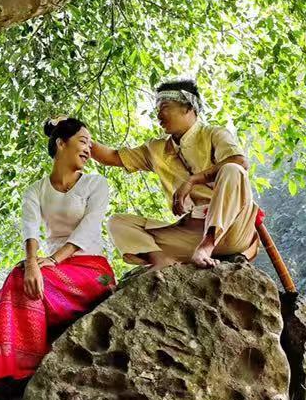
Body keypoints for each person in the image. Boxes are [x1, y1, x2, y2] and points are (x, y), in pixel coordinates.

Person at [0, 116, 116, 397]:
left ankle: (14, 368)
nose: (89, 149)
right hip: (53, 270)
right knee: (15, 281)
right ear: (61, 143)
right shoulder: (37, 189)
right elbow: (30, 229)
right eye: (83, 141)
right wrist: (31, 264)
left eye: (90, 143)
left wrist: (51, 261)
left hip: (91, 271)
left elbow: (89, 229)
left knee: (20, 281)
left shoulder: (96, 184)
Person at [91, 78, 260, 269]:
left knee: (232, 170)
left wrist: (193, 180)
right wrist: (75, 133)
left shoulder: (215, 134)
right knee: (118, 223)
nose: (158, 116)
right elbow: (112, 157)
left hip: (234, 231)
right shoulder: (156, 149)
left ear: (188, 107)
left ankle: (208, 245)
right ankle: (161, 260)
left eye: (164, 107)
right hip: (191, 237)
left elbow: (239, 161)